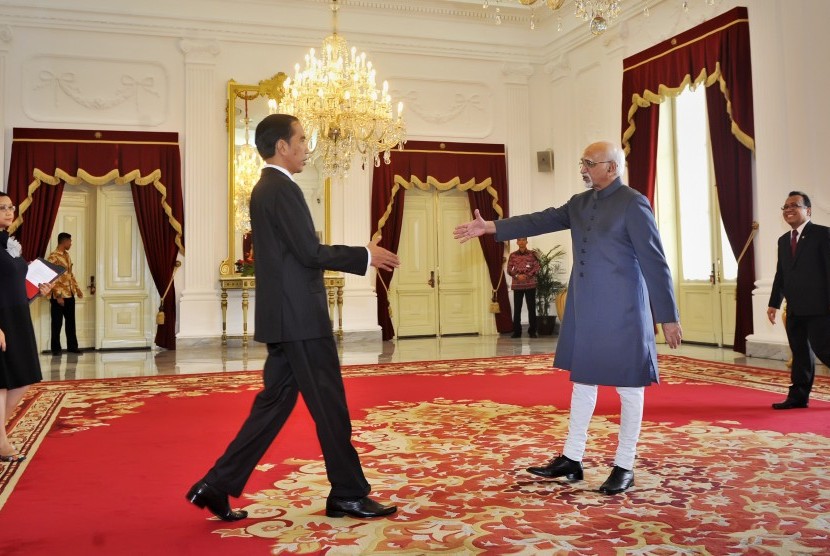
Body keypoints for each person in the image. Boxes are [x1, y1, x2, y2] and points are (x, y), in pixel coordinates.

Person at [187, 114, 401, 521]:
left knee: (273, 407)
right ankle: (348, 493)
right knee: (330, 407)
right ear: (282, 146)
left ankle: (215, 485)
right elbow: (309, 252)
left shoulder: (268, 188)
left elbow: (294, 254)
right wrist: (364, 255)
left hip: (286, 318)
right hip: (300, 319)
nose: (307, 147)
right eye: (301, 139)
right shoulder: (280, 188)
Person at [453, 141, 682, 495]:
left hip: (624, 312)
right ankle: (572, 459)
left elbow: (655, 261)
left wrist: (667, 315)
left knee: (629, 387)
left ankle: (624, 465)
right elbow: (540, 219)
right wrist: (492, 227)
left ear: (612, 168)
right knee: (583, 383)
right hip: (586, 309)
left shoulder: (634, 203)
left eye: (590, 163)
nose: (583, 169)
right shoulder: (579, 203)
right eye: (583, 162)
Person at [1, 193, 53, 462]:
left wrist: (37, 291)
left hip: (18, 317)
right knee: (2, 381)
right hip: (0, 320)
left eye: (10, 207)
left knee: (24, 376)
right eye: (2, 208)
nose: (9, 212)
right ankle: (1, 441)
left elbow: (14, 288)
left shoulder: (10, 245)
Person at [766, 191, 830, 409]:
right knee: (800, 353)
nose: (789, 209)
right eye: (785, 207)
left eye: (794, 205)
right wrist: (774, 303)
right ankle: (798, 397)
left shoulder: (823, 235)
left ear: (808, 211)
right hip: (794, 308)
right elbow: (781, 274)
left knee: (825, 349)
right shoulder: (784, 240)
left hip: (821, 307)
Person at [47, 232, 83, 355]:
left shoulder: (67, 256)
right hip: (59, 296)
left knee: (71, 322)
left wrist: (77, 289)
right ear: (64, 241)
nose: (71, 244)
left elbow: (70, 275)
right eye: (70, 241)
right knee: (57, 323)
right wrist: (58, 296)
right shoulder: (53, 257)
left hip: (70, 293)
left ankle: (72, 347)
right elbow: (51, 277)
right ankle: (56, 349)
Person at [507, 237, 540, 338]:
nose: (521, 242)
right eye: (519, 240)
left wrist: (527, 275)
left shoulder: (532, 254)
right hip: (517, 285)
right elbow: (509, 269)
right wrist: (517, 276)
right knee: (517, 309)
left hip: (530, 284)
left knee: (531, 308)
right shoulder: (512, 255)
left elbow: (537, 267)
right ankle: (517, 332)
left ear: (526, 242)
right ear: (517, 242)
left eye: (523, 240)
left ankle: (532, 331)